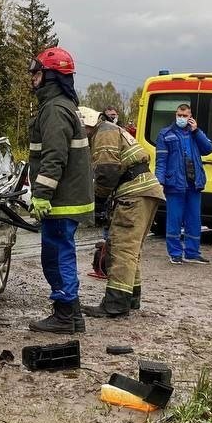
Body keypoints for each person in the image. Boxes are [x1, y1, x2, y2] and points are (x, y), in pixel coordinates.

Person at [26, 47, 94, 332]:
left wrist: (41, 195)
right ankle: (72, 314)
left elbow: (54, 157)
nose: (33, 79)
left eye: (37, 73)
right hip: (67, 197)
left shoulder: (54, 109)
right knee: (60, 252)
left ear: (51, 77)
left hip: (60, 199)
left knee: (56, 255)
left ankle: (65, 314)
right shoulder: (63, 106)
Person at [80, 104, 165, 317]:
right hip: (145, 191)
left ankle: (115, 304)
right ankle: (131, 298)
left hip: (133, 194)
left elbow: (107, 172)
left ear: (86, 125)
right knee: (132, 249)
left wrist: (98, 201)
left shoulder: (104, 133)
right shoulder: (112, 130)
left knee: (121, 247)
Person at [155, 103, 212, 264]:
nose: (182, 118)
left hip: (194, 183)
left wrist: (197, 131)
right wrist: (159, 182)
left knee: (194, 220)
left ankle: (192, 252)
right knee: (174, 220)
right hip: (174, 184)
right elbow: (161, 161)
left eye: (185, 115)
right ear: (175, 115)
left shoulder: (194, 134)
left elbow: (208, 148)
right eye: (179, 115)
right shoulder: (165, 134)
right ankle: (175, 253)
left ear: (190, 116)